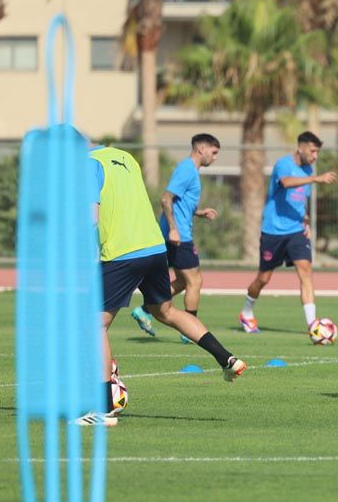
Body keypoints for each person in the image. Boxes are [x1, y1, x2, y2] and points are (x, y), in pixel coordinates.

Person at [83, 143, 245, 426]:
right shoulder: (124, 157)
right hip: (154, 248)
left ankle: (103, 408)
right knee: (165, 311)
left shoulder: (87, 164)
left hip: (123, 252)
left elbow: (91, 218)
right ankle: (227, 360)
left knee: (95, 325)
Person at [239, 132, 336, 333]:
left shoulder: (308, 169)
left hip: (296, 232)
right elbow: (286, 183)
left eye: (317, 151)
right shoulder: (284, 164)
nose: (315, 156)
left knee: (306, 272)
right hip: (273, 231)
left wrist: (306, 219)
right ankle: (246, 312)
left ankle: (312, 324)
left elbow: (300, 200)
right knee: (263, 278)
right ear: (300, 147)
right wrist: (316, 178)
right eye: (312, 150)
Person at [131, 133, 221, 336]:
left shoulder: (190, 171)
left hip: (177, 235)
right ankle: (190, 330)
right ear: (201, 149)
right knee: (195, 281)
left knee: (182, 281)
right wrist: (173, 229)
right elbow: (166, 198)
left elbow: (180, 202)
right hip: (179, 237)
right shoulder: (187, 170)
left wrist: (199, 212)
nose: (215, 157)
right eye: (213, 153)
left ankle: (144, 310)